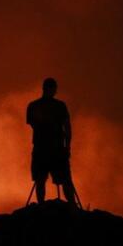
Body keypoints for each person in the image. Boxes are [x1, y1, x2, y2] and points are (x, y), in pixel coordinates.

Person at [26, 77, 79, 205]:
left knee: (41, 180)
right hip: (55, 149)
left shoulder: (34, 106)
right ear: (54, 90)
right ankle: (72, 207)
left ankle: (42, 207)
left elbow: (34, 125)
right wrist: (67, 147)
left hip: (44, 149)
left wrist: (66, 147)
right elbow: (67, 128)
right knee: (62, 180)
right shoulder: (59, 106)